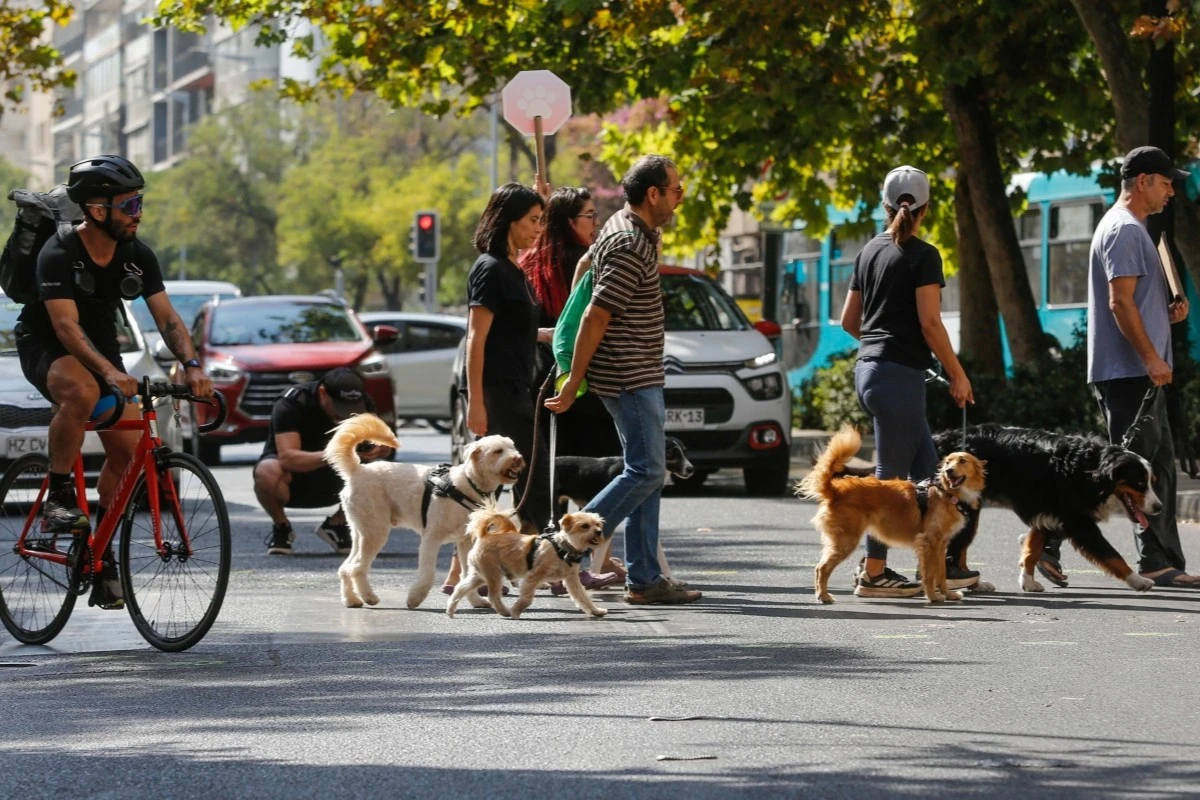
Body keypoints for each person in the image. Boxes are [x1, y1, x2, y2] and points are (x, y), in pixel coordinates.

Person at [14, 154, 213, 609]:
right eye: (130, 204)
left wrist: (194, 365)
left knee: (126, 454)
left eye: (140, 203)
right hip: (47, 344)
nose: (138, 213)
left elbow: (167, 319)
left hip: (103, 349)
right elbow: (64, 327)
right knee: (81, 392)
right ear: (97, 210)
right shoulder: (59, 253)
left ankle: (100, 556)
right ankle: (60, 496)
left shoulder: (137, 256)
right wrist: (109, 373)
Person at [1041, 146, 1199, 588]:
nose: (1171, 191)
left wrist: (1165, 316)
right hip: (1130, 373)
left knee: (1154, 465)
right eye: (1167, 182)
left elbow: (1132, 303)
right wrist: (1150, 356)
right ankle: (1048, 538)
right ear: (1144, 180)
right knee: (1128, 471)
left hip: (1132, 371)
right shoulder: (1126, 230)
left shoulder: (1131, 229)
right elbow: (1118, 301)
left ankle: (1159, 559)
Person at [545, 154, 700, 605]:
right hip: (630, 375)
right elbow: (596, 313)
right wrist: (573, 378)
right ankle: (570, 542)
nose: (680, 198)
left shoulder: (624, 227)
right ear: (653, 194)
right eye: (676, 190)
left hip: (638, 372)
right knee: (647, 470)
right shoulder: (631, 241)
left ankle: (645, 579)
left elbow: (585, 272)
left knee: (648, 475)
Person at [838, 165, 975, 598]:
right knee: (891, 482)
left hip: (870, 371)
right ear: (926, 208)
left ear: (885, 205)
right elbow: (931, 323)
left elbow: (848, 322)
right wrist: (958, 374)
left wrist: (884, 350)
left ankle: (937, 564)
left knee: (928, 472)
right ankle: (874, 573)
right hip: (898, 378)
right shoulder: (923, 254)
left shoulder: (867, 252)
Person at [463, 183, 551, 530]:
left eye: (542, 220)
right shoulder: (490, 268)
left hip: (518, 387)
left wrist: (542, 334)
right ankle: (531, 556)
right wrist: (476, 401)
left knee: (502, 480)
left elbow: (511, 327)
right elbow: (476, 337)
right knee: (530, 473)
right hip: (497, 391)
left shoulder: (515, 268)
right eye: (532, 220)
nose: (538, 229)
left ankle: (477, 565)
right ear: (509, 220)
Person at [255, 368, 392, 555]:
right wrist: (334, 454)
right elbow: (288, 459)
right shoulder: (293, 402)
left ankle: (337, 524)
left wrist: (379, 448)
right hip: (295, 481)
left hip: (339, 480)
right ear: (322, 392)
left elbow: (387, 446)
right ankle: (281, 526)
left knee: (386, 473)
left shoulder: (364, 403)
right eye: (339, 406)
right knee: (267, 471)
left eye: (350, 409)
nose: (344, 414)